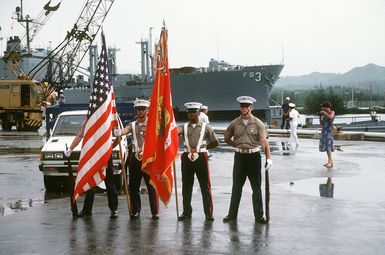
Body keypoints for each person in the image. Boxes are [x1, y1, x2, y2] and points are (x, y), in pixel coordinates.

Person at [223, 96, 272, 224]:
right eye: (242, 106)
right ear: (240, 108)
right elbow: (227, 137)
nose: (244, 109)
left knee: (256, 188)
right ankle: (232, 215)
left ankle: (259, 216)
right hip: (239, 158)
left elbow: (264, 141)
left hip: (253, 157)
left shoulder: (258, 123)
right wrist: (237, 145)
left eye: (247, 106)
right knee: (236, 187)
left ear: (251, 108)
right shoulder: (234, 123)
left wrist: (269, 158)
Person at [114, 98, 159, 220]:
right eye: (138, 109)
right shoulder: (132, 125)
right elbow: (126, 130)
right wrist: (119, 132)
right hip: (135, 158)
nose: (140, 111)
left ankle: (155, 211)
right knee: (134, 186)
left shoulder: (153, 124)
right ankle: (136, 210)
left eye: (143, 109)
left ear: (147, 110)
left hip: (148, 158)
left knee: (151, 185)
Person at [65, 122, 119, 219]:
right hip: (93, 155)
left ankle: (114, 209)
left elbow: (119, 138)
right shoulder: (88, 120)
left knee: (109, 181)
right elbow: (80, 135)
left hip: (105, 155)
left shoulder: (107, 118)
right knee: (90, 181)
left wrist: (109, 149)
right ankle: (87, 210)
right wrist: (71, 148)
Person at [177, 102, 219, 221]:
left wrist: (204, 148)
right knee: (186, 186)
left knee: (205, 185)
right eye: (189, 112)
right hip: (187, 157)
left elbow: (216, 142)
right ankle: (186, 212)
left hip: (201, 156)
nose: (191, 114)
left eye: (194, 112)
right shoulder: (184, 127)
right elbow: (174, 133)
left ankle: (208, 213)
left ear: (198, 113)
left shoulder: (206, 127)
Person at [319, 101, 335, 168]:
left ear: (327, 107)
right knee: (326, 147)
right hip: (324, 131)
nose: (324, 109)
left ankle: (330, 162)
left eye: (324, 108)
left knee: (328, 147)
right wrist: (320, 117)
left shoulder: (332, 112)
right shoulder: (325, 114)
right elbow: (321, 123)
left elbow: (331, 117)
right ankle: (330, 161)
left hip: (329, 131)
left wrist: (324, 113)